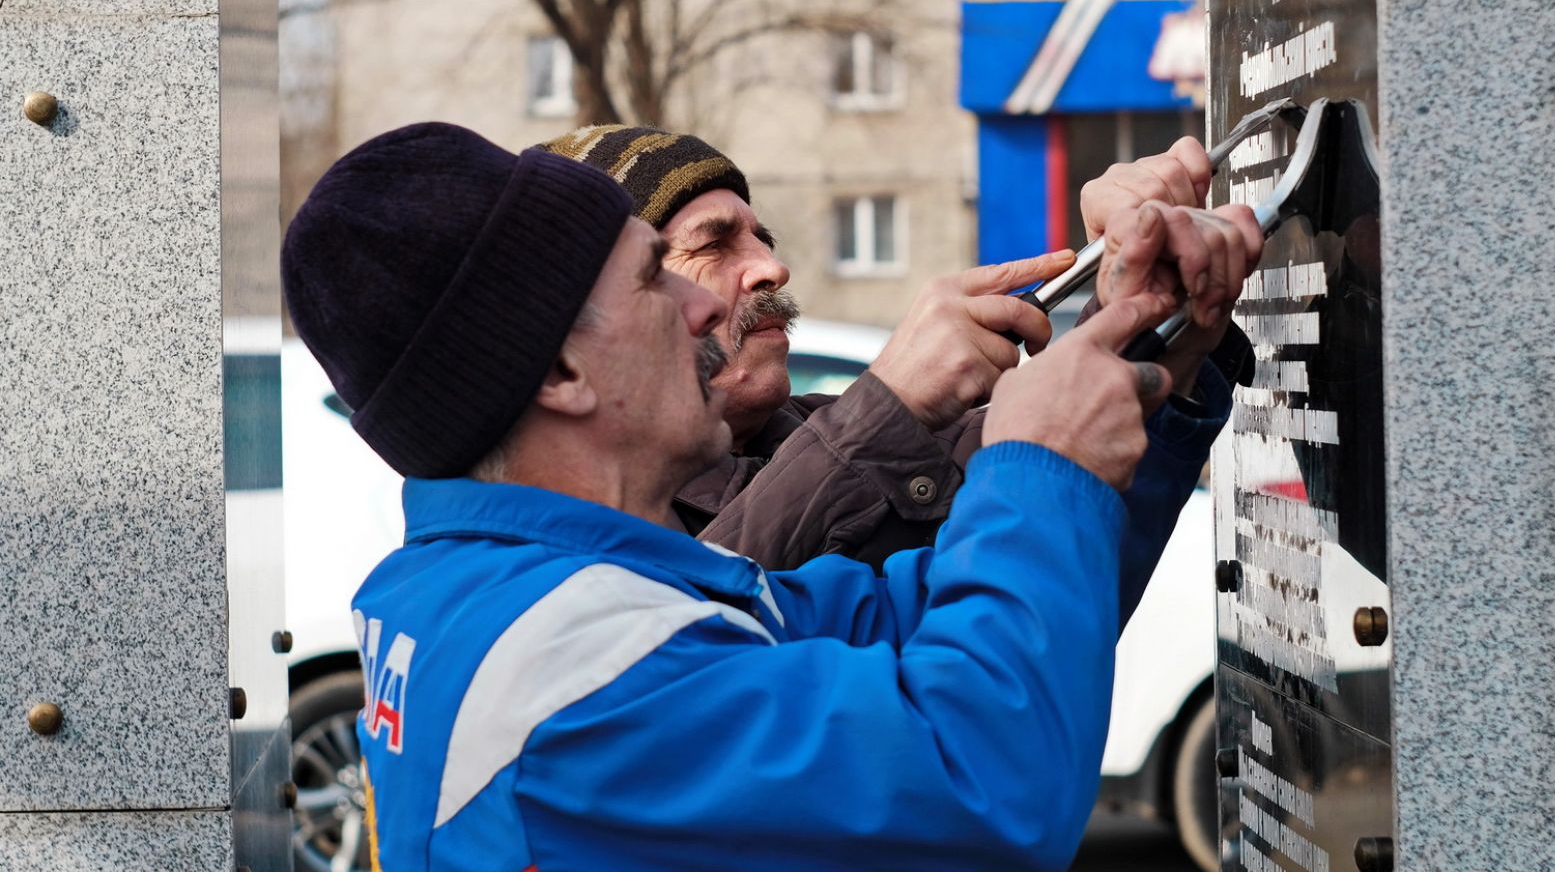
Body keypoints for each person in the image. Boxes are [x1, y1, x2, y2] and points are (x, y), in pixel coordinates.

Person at [281, 121, 1262, 870]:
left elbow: (903, 615)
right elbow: (984, 779)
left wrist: (1152, 335)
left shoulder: (543, 586)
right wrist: (1040, 465)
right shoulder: (571, 667)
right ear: (559, 374)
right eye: (649, 279)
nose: (705, 306)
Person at [542, 124, 1247, 571]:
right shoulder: (556, 535)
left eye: (765, 240)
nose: (771, 268)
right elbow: (686, 635)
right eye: (715, 243)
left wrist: (1151, 299)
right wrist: (887, 404)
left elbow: (1055, 533)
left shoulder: (848, 440)